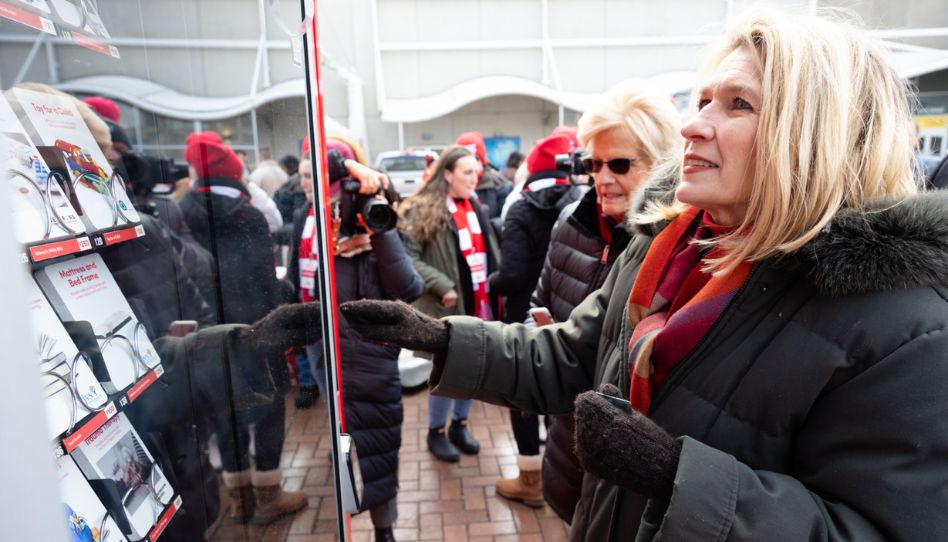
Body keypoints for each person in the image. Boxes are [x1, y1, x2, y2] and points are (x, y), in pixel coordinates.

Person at [340, 9, 948, 540]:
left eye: (738, 103)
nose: (694, 123)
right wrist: (443, 339)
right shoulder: (669, 246)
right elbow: (578, 356)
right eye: (704, 99)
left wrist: (674, 476)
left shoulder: (902, 326)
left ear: (817, 134)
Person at [498, 82, 681, 516]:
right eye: (593, 164)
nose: (601, 178)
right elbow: (536, 302)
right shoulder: (571, 221)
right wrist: (542, 346)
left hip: (632, 475)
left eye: (619, 163)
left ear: (663, 165)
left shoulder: (676, 248)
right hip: (568, 445)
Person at [288, 140, 423, 542]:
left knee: (380, 443)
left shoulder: (374, 214)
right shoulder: (305, 219)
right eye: (303, 177)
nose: (307, 185)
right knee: (341, 435)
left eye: (317, 178)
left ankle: (384, 528)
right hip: (320, 344)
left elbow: (409, 287)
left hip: (368, 352)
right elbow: (301, 282)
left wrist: (379, 234)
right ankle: (346, 510)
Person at [178, 130, 306, 525]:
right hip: (254, 331)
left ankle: (239, 500)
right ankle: (268, 495)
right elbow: (266, 284)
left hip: (207, 336)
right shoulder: (247, 214)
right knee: (267, 412)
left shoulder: (183, 211)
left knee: (224, 416)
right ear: (233, 174)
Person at [397, 146, 501, 462]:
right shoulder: (421, 209)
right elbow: (408, 258)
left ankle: (459, 424)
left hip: (479, 301)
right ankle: (435, 431)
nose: (475, 178)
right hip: (445, 306)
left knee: (474, 368)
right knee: (443, 371)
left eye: (476, 172)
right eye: (467, 172)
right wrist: (442, 285)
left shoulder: (475, 207)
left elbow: (489, 252)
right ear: (447, 174)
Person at [455, 131, 513, 219]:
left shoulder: (501, 186)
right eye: (463, 159)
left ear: (482, 161)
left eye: (475, 158)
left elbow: (508, 220)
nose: (470, 163)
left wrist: (485, 226)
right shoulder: (451, 186)